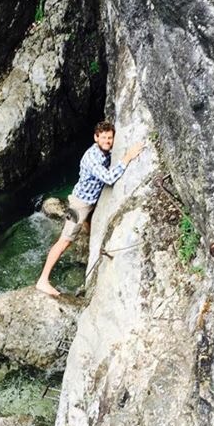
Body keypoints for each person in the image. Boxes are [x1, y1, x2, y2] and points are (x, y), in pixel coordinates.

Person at [35, 121, 145, 296]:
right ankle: (43, 280)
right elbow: (109, 178)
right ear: (96, 138)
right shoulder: (93, 157)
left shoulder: (104, 151)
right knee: (65, 240)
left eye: (110, 138)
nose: (107, 141)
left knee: (86, 226)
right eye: (103, 138)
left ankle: (88, 243)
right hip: (80, 205)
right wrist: (128, 157)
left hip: (88, 201)